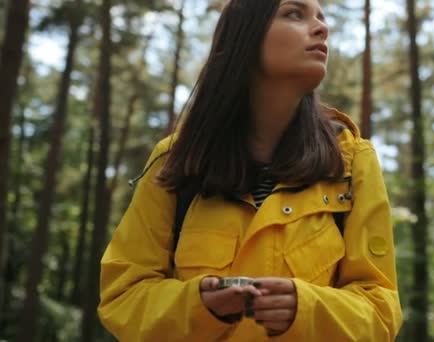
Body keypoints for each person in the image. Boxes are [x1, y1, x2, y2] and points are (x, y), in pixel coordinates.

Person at [97, 0, 403, 340]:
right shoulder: (176, 158)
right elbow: (123, 296)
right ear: (246, 35)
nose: (321, 28)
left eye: (321, 17)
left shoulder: (353, 161)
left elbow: (380, 312)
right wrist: (199, 306)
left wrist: (305, 310)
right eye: (293, 13)